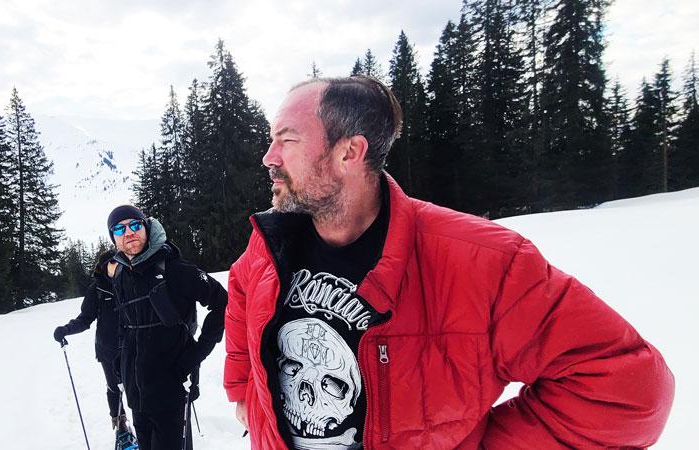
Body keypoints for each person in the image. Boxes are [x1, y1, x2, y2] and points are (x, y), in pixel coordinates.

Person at [223, 76, 675, 449]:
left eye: (287, 140)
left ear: (349, 153)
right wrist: (242, 386)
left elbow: (631, 389)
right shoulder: (270, 244)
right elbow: (242, 295)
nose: (269, 157)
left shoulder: (484, 263)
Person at [106, 204, 227, 450]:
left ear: (146, 228)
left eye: (135, 225)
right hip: (137, 393)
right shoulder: (121, 276)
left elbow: (222, 302)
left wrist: (196, 354)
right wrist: (121, 360)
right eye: (119, 228)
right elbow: (124, 322)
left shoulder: (175, 269)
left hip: (172, 389)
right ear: (114, 238)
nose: (129, 232)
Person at [53, 248, 131, 433]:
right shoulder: (96, 289)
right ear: (103, 267)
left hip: (134, 345)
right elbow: (85, 319)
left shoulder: (132, 282)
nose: (116, 265)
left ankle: (147, 423)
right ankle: (118, 420)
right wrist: (66, 329)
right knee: (114, 387)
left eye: (119, 261)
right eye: (112, 263)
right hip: (109, 349)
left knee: (140, 386)